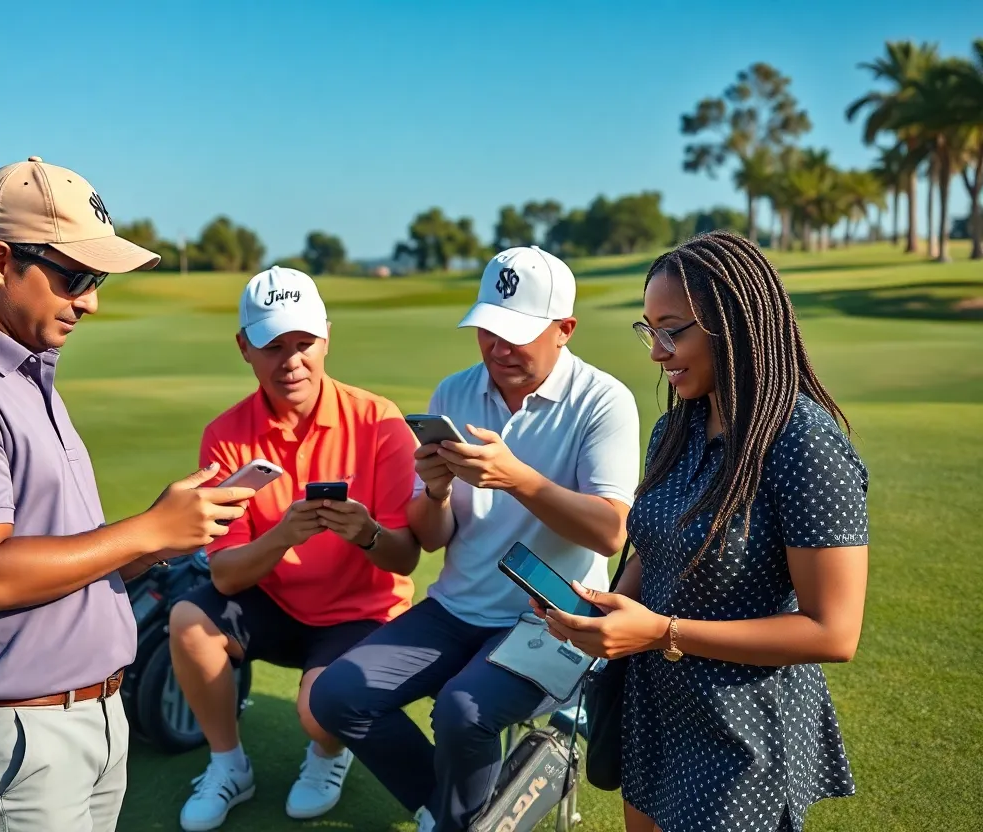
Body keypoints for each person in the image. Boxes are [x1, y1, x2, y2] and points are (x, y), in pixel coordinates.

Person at [0, 156, 255, 832]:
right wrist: (144, 530)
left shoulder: (24, 370)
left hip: (79, 719)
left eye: (96, 278)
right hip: (16, 732)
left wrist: (162, 539)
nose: (91, 300)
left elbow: (63, 551)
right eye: (74, 276)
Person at [537, 231, 869, 832]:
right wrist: (605, 610)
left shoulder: (802, 442)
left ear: (736, 326)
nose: (657, 353)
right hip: (655, 712)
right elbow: (655, 546)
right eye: (649, 331)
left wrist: (661, 630)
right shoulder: (676, 429)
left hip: (740, 729)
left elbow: (834, 631)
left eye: (674, 330)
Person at [310, 245, 641, 832]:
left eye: (517, 332)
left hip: (554, 618)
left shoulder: (603, 400)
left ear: (565, 329)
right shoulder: (455, 392)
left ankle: (460, 817)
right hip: (456, 606)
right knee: (336, 696)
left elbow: (610, 532)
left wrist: (516, 478)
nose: (498, 347)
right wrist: (434, 494)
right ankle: (448, 814)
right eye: (488, 328)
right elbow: (433, 538)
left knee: (464, 712)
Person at [168, 265, 422, 832]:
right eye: (273, 346)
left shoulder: (378, 420)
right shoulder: (226, 434)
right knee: (189, 618)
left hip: (360, 612)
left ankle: (328, 753)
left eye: (304, 343)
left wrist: (364, 533)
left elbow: (405, 558)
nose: (292, 361)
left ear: (326, 337)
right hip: (275, 604)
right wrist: (283, 534)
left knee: (318, 711)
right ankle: (229, 765)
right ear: (244, 349)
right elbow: (227, 576)